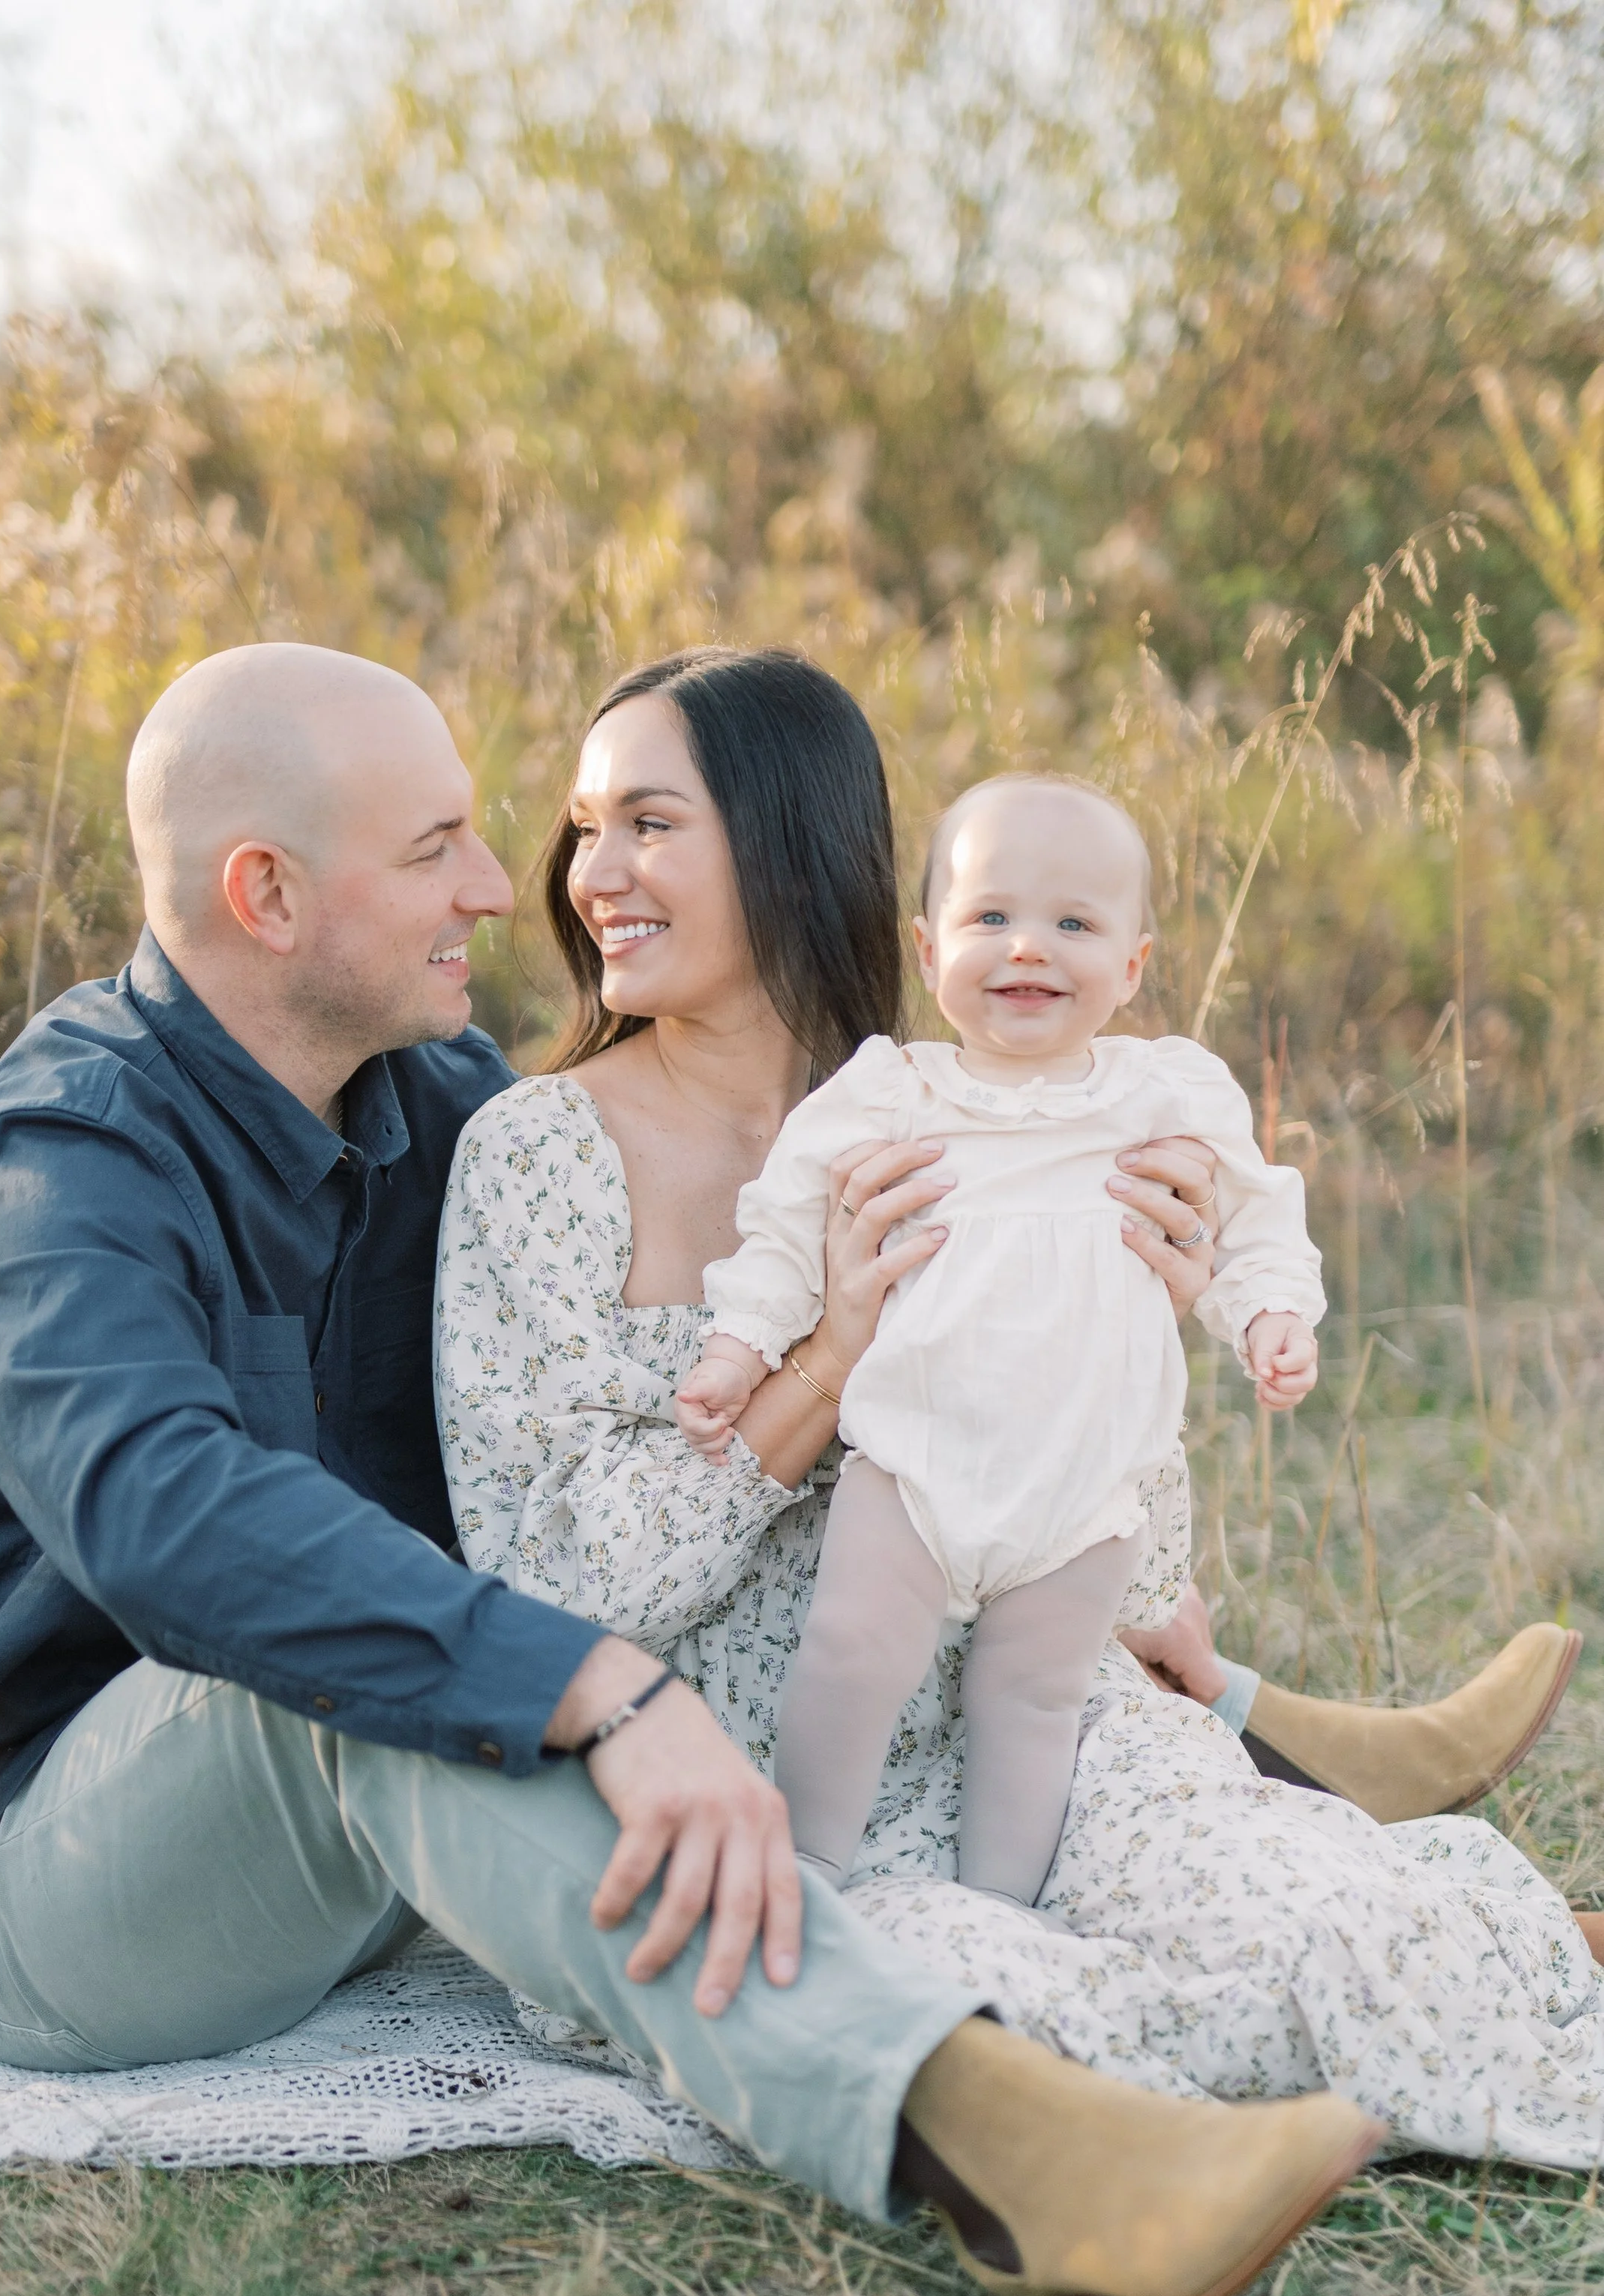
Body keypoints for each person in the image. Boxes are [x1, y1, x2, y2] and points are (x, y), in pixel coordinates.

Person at [0, 637, 1380, 2296]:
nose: (505, 889)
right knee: (393, 1676)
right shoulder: (48, 1171)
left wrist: (1085, 1330)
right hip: (37, 1886)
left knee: (488, 1655)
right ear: (266, 893)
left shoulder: (443, 1107)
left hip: (354, 1864)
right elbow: (168, 1518)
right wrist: (599, 1688)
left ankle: (1281, 1763)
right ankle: (1005, 2145)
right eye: (435, 849)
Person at [436, 643, 1604, 2181]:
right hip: (752, 1789)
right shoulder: (537, 1153)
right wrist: (826, 1361)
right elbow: (551, 1592)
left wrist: (1143, 1329)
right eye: (587, 829)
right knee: (1011, 2017)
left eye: (649, 824)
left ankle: (1400, 1933)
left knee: (1343, 1922)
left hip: (1030, 1729)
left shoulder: (999, 1098)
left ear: (790, 844)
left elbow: (1120, 1550)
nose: (595, 874)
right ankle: (1169, 2140)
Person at [674, 773, 1324, 1901]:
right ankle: (809, 1868)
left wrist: (1271, 1315)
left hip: (1082, 1484)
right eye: (991, 917)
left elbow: (1256, 1216)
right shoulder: (895, 1092)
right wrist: (739, 1350)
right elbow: (784, 1223)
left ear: (1133, 965)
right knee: (851, 1651)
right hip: (916, 1458)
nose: (1029, 946)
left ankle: (999, 1909)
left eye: (1074, 923)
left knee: (1032, 1699)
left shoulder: (1163, 1094)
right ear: (930, 951)